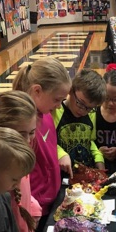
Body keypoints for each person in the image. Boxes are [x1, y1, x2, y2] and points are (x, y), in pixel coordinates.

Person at [12, 58, 71, 218]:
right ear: (37, 91)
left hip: (51, 203)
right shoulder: (24, 128)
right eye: (57, 99)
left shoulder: (47, 114)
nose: (59, 106)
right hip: (34, 212)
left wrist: (61, 153)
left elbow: (48, 148)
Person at [0, 91, 41, 232]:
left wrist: (34, 209)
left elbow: (24, 194)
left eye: (31, 132)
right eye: (21, 134)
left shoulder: (20, 154)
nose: (27, 140)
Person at [53, 68, 106, 177]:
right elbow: (47, 143)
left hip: (86, 175)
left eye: (90, 108)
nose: (83, 111)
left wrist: (99, 158)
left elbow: (90, 142)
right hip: (62, 176)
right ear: (71, 91)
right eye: (80, 103)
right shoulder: (55, 111)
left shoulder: (91, 114)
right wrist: (60, 154)